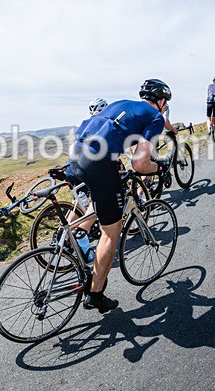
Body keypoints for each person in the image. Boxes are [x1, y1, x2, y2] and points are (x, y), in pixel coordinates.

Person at [65, 79, 173, 313]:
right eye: (166, 105)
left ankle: (74, 237)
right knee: (110, 232)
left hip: (75, 155)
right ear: (161, 101)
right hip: (99, 161)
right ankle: (95, 294)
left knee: (98, 202)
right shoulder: (155, 118)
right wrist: (161, 169)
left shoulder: (123, 104)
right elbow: (140, 163)